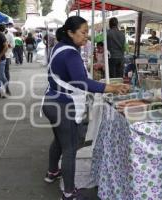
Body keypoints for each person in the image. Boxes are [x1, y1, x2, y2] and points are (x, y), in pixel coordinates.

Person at [41, 16, 130, 200]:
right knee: (70, 148)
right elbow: (82, 82)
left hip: (51, 102)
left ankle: (52, 172)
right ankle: (69, 193)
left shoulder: (59, 47)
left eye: (87, 32)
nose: (86, 37)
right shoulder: (71, 54)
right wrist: (112, 87)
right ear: (70, 32)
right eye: (83, 32)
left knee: (59, 140)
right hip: (63, 105)